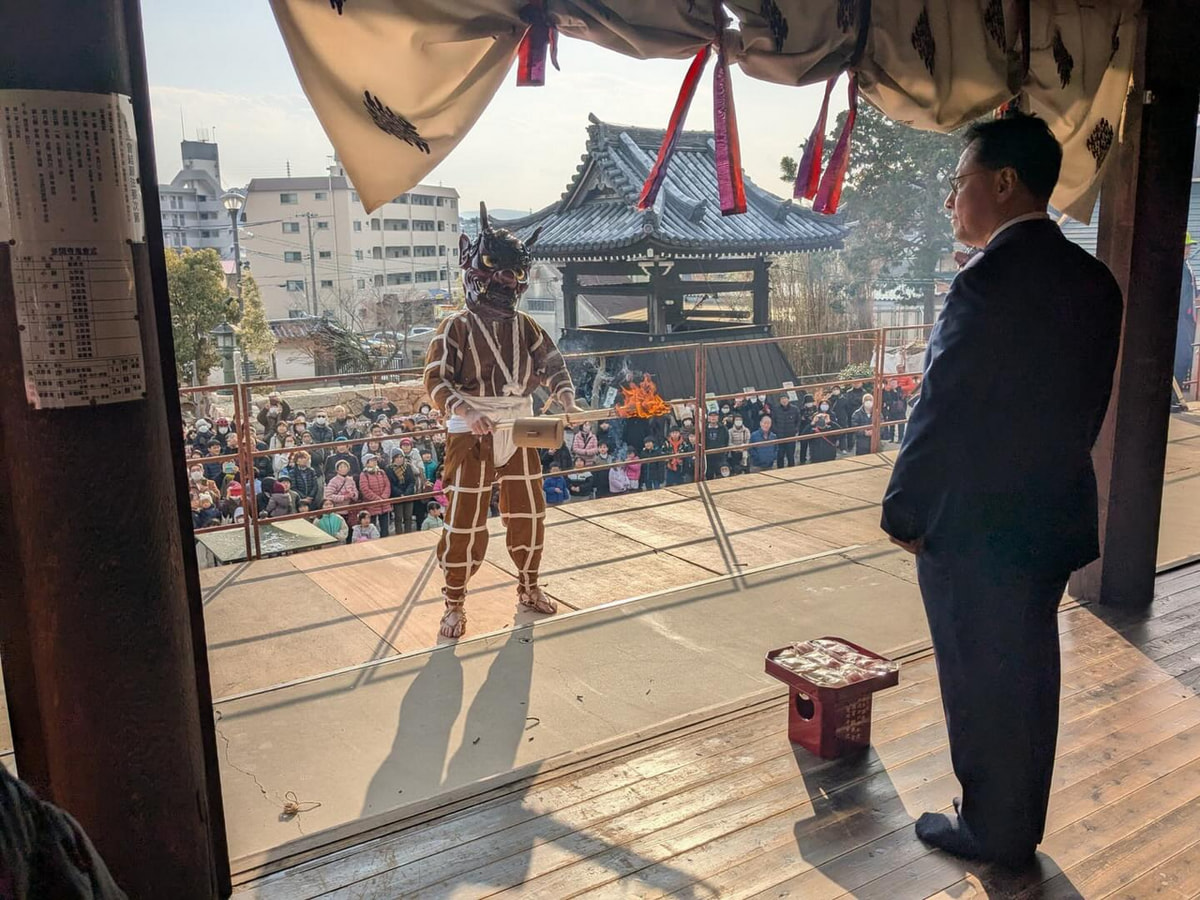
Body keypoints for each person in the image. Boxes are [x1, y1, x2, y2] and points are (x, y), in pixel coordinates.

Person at [881, 114, 1122, 868]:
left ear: (1005, 182)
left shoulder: (984, 281)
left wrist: (904, 507)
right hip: (1051, 514)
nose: (951, 199)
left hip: (976, 527)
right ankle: (1018, 824)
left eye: (959, 182)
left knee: (978, 676)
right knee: (1028, 671)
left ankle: (990, 830)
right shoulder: (1094, 281)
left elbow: (942, 405)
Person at [423, 203, 578, 638]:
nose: (507, 281)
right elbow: (435, 381)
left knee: (529, 512)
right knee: (465, 520)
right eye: (498, 270)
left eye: (514, 274)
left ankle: (529, 586)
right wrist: (467, 411)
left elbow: (551, 362)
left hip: (521, 425)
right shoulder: (454, 326)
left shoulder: (526, 324)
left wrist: (565, 395)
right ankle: (454, 602)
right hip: (472, 431)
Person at [358, 452, 393, 537]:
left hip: (384, 503)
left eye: (375, 460)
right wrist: (377, 498)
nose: (374, 462)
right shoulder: (364, 474)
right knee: (371, 527)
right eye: (372, 460)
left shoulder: (381, 472)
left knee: (385, 528)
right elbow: (365, 489)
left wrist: (384, 496)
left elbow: (387, 485)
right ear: (366, 463)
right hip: (371, 505)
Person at [772, 393, 802, 468]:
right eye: (782, 399)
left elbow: (798, 420)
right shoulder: (776, 409)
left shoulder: (794, 409)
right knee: (780, 455)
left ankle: (791, 470)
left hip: (790, 436)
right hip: (780, 436)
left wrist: (795, 429)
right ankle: (780, 470)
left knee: (790, 455)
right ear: (779, 401)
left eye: (785, 398)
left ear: (788, 399)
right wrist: (776, 431)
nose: (784, 400)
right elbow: (773, 421)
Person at [702, 411, 728, 480]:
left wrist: (724, 452)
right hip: (708, 456)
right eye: (711, 416)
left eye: (715, 416)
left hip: (720, 455)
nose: (713, 418)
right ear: (708, 418)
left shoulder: (723, 428)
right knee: (709, 475)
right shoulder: (704, 428)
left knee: (721, 475)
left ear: (718, 417)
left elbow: (726, 440)